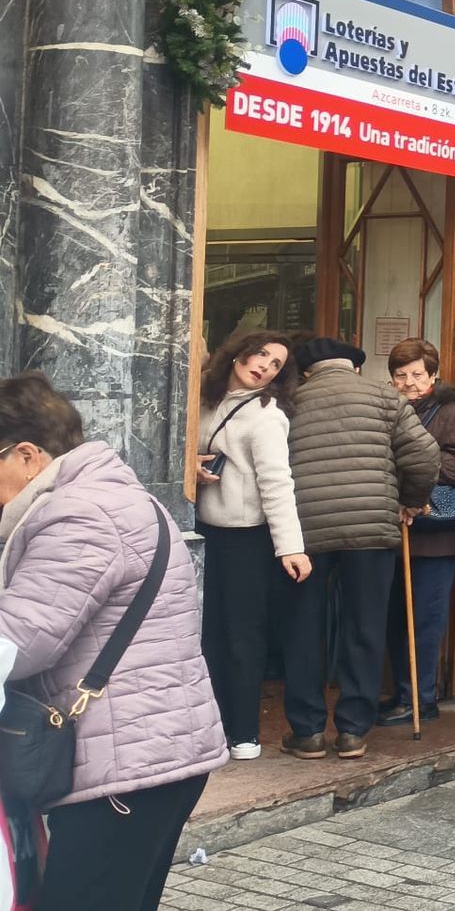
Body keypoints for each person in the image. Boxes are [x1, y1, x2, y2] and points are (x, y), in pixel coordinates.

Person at [0, 373, 226, 909]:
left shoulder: (81, 513)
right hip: (146, 755)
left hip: (126, 770)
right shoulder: (106, 498)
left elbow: (20, 639)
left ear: (27, 455)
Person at [284, 338, 440, 759]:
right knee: (364, 627)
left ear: (307, 371)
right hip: (372, 529)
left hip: (304, 532)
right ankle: (353, 731)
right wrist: (411, 498)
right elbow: (424, 454)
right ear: (353, 368)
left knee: (303, 629)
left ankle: (308, 732)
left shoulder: (290, 400)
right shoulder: (383, 397)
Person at [194, 330, 307, 761]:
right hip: (206, 533)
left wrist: (290, 547)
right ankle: (210, 728)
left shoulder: (266, 414)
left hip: (246, 538)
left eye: (275, 364)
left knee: (241, 638)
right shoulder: (206, 398)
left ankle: (243, 732)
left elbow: (277, 483)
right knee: (206, 637)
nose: (264, 365)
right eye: (260, 354)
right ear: (238, 352)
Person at [379, 339, 455, 728]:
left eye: (417, 375)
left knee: (424, 620)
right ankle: (403, 693)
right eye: (400, 375)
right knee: (396, 618)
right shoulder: (389, 410)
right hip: (397, 531)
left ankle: (420, 699)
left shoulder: (451, 412)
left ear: (433, 375)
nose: (408, 382)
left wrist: (415, 469)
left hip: (435, 534)